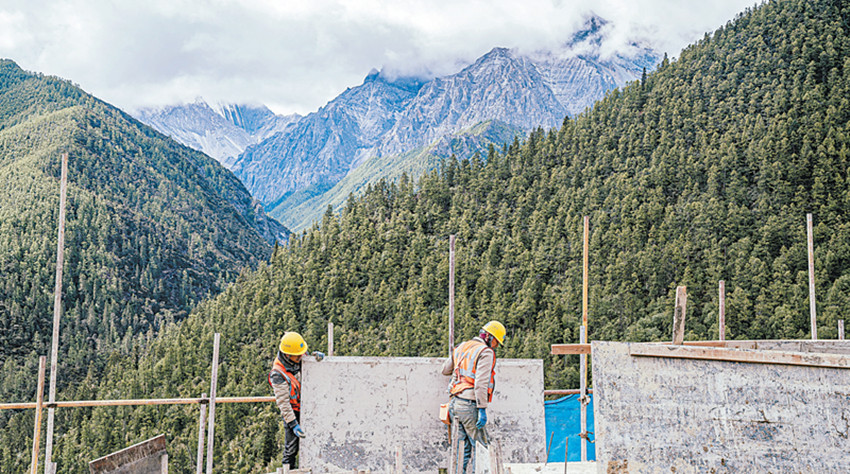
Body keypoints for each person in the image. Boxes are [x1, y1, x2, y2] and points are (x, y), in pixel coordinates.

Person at [441, 320, 506, 474]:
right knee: (481, 448)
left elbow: (445, 370)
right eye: (496, 342)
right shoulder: (485, 352)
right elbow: (481, 383)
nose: (496, 346)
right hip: (469, 405)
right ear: (489, 337)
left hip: (454, 403)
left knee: (461, 450)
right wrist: (482, 408)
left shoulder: (462, 346)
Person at [268, 331, 324, 469]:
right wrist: (293, 424)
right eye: (298, 355)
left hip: (308, 407)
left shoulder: (297, 355)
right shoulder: (277, 374)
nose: (301, 357)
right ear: (287, 355)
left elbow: (306, 360)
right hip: (293, 411)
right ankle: (288, 470)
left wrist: (315, 359)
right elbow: (283, 403)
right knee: (291, 448)